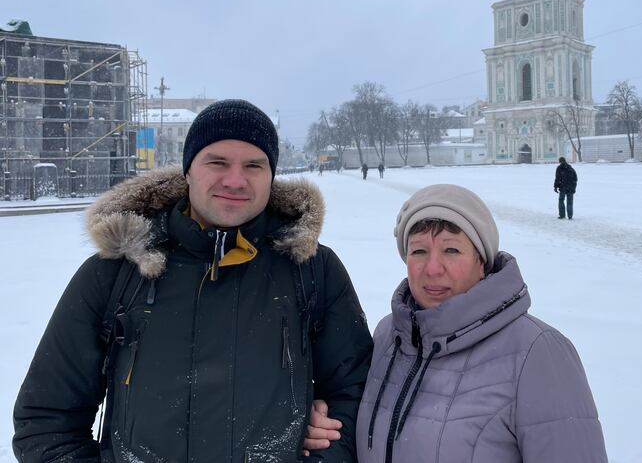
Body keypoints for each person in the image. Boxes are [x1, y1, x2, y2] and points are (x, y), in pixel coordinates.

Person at [13, 99, 373, 463]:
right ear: (187, 171)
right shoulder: (116, 271)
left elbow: (355, 395)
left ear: (271, 175)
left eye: (254, 165)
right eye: (217, 162)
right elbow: (47, 421)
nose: (235, 180)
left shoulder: (312, 268)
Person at [306, 184, 607, 462]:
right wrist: (322, 421)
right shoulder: (390, 336)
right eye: (419, 251)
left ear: (481, 260)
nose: (433, 268)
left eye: (451, 249)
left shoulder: (537, 351)